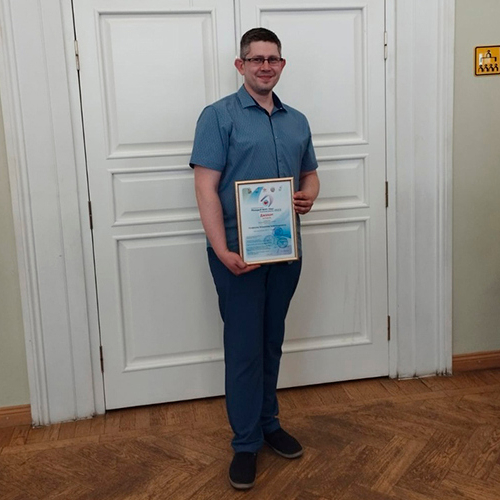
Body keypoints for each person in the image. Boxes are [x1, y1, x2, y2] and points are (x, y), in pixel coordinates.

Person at [190, 27, 320, 490]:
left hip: (285, 253)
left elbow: (310, 174)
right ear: (240, 65)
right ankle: (245, 443)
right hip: (237, 257)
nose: (266, 66)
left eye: (273, 59)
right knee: (244, 349)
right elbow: (205, 186)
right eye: (256, 59)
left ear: (282, 64)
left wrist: (309, 195)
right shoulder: (218, 117)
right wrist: (221, 249)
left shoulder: (296, 120)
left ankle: (269, 424)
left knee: (270, 342)